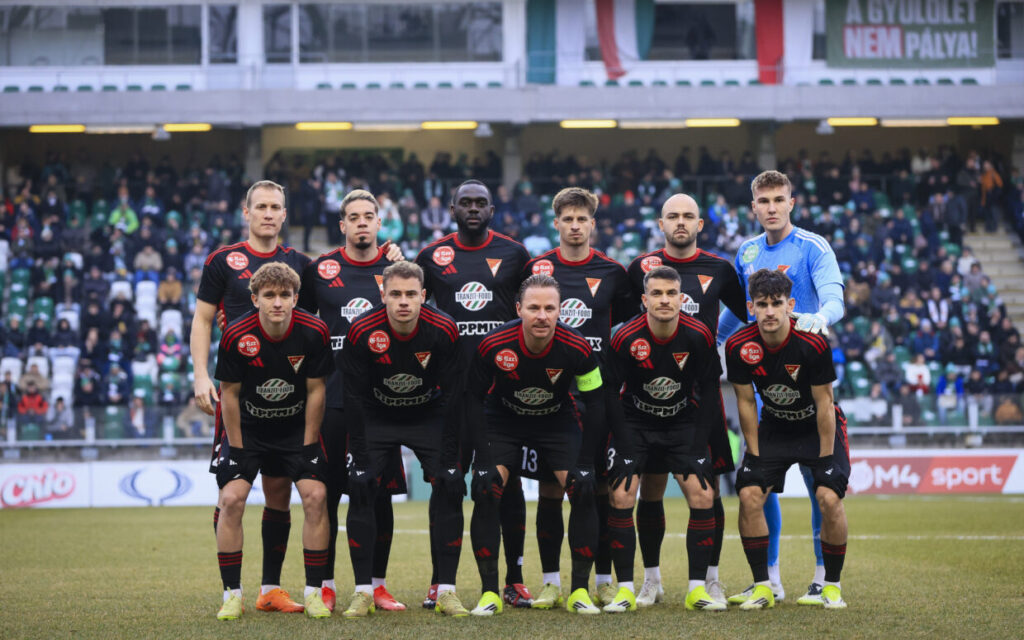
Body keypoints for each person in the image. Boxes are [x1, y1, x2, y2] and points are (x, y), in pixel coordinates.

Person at [718, 170, 845, 605]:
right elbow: (741, 311)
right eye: (764, 201)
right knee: (759, 481)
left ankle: (822, 577)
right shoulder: (748, 251)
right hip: (763, 381)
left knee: (818, 482)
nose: (771, 208)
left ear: (791, 203)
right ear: (753, 207)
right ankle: (769, 578)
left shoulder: (813, 247)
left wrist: (820, 317)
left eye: (779, 200)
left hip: (808, 374)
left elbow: (834, 296)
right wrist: (711, 340)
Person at [191, 180, 313, 614]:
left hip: (287, 398)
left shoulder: (300, 263)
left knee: (278, 491)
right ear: (246, 212)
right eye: (260, 206)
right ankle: (231, 592)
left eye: (275, 207)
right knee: (232, 494)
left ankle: (270, 590)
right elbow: (203, 319)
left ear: (284, 214)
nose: (268, 213)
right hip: (237, 395)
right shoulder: (223, 261)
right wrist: (200, 374)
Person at [414, 179, 533, 609]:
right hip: (447, 396)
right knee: (445, 486)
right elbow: (415, 312)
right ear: (452, 209)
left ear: (492, 210)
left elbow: (533, 310)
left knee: (505, 488)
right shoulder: (431, 256)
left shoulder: (515, 254)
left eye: (481, 203)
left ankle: (514, 580)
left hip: (501, 398)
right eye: (465, 203)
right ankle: (439, 582)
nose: (473, 209)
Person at [625, 193, 747, 607]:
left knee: (707, 488)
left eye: (688, 216)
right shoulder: (640, 269)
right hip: (648, 395)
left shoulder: (720, 269)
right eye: (673, 216)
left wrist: (724, 342)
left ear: (700, 224)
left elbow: (749, 314)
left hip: (701, 396)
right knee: (651, 489)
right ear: (661, 224)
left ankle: (711, 579)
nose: (681, 222)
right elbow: (618, 319)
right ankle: (651, 580)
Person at [465, 275, 608, 616]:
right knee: (486, 489)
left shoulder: (578, 348)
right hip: (503, 419)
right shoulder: (493, 345)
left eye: (549, 308)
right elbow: (471, 399)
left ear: (560, 311)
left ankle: (579, 591)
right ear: (518, 309)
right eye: (533, 308)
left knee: (583, 489)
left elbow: (597, 403)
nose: (542, 316)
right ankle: (490, 593)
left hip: (556, 420)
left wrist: (586, 462)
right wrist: (482, 459)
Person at [297, 189, 409, 612]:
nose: (362, 222)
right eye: (354, 217)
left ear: (380, 222)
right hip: (330, 401)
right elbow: (300, 321)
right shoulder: (321, 270)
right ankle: (325, 586)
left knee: (379, 497)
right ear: (342, 224)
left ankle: (377, 586)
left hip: (381, 404)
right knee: (325, 496)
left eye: (368, 216)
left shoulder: (396, 271)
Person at [523, 187, 633, 610]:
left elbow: (627, 327)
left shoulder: (612, 272)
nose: (574, 226)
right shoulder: (538, 269)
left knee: (598, 488)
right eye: (567, 219)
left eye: (581, 219)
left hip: (596, 397)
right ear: (556, 223)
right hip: (550, 398)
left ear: (593, 224)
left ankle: (602, 580)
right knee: (550, 491)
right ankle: (551, 582)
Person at [340, 261, 469, 617]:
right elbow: (353, 397)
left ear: (423, 296)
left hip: (428, 415)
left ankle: (446, 590)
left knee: (450, 485)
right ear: (382, 295)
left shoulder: (443, 329)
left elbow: (454, 395)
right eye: (395, 293)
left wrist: (449, 458)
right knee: (361, 486)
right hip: (377, 415)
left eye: (411, 294)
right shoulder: (361, 330)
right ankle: (363, 592)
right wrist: (360, 457)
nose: (403, 301)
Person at [213, 262, 334, 620]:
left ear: (296, 298)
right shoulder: (236, 334)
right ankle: (231, 595)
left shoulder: (314, 331)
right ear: (255, 299)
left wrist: (309, 446)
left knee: (316, 497)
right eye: (269, 295)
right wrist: (237, 449)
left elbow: (316, 390)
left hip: (294, 430)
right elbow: (229, 394)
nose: (277, 302)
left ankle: (312, 594)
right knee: (231, 500)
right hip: (248, 430)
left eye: (285, 295)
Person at [604, 266, 725, 612]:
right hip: (635, 421)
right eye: (656, 293)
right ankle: (631, 588)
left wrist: (697, 446)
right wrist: (625, 445)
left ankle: (697, 589)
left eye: (671, 293)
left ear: (681, 299)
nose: (664, 300)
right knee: (622, 495)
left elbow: (710, 390)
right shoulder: (625, 336)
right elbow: (609, 392)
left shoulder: (699, 335)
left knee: (703, 494)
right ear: (644, 300)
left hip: (682, 421)